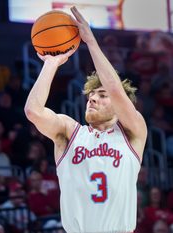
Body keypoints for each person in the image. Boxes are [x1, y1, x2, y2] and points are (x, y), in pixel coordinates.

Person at [24, 6, 147, 233]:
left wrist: (91, 42)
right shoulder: (70, 132)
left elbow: (115, 89)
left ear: (120, 107)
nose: (92, 100)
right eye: (90, 96)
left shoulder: (133, 131)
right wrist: (51, 64)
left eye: (101, 96)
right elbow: (33, 111)